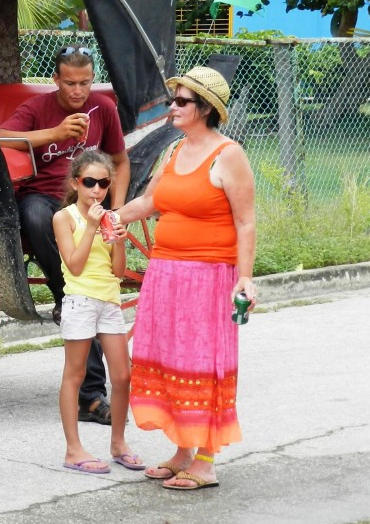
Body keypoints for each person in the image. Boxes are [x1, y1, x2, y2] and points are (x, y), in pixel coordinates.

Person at [114, 66, 257, 491]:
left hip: (208, 277)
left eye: (181, 101)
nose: (171, 107)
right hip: (166, 274)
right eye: (172, 99)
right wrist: (110, 217)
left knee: (202, 363)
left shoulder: (228, 154)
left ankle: (207, 460)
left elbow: (246, 222)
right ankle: (182, 452)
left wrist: (245, 279)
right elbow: (149, 202)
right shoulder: (177, 151)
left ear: (205, 108)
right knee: (171, 361)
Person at [0, 46, 130, 425]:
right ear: (56, 80)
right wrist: (52, 133)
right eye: (70, 83)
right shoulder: (39, 108)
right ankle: (64, 290)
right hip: (43, 197)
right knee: (34, 214)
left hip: (87, 203)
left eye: (85, 82)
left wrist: (115, 208)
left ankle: (69, 296)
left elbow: (119, 161)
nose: (78, 91)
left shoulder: (103, 108)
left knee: (82, 295)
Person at [53, 149, 145, 475]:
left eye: (103, 183)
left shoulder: (111, 217)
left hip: (109, 301)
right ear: (76, 182)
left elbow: (118, 271)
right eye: (89, 182)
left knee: (122, 375)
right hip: (80, 299)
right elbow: (75, 266)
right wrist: (92, 226)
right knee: (75, 375)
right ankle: (73, 449)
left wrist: (119, 239)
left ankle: (118, 443)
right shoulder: (65, 217)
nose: (96, 190)